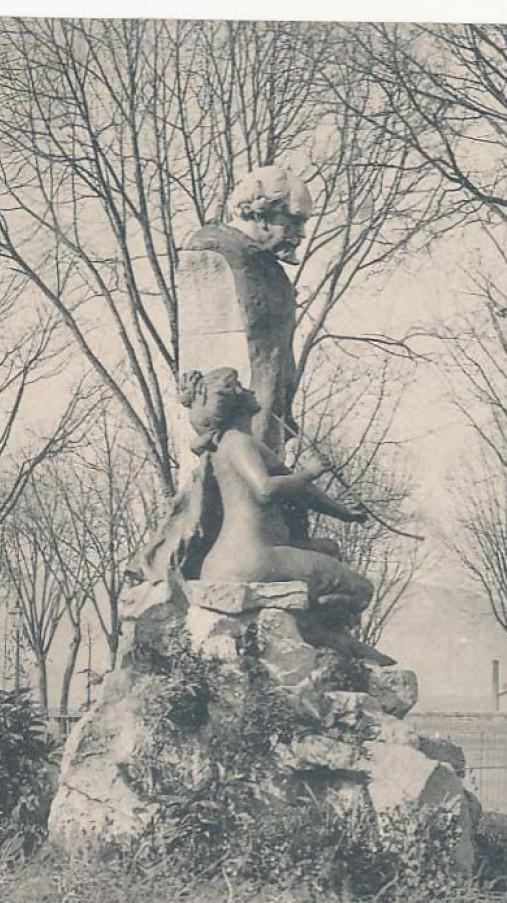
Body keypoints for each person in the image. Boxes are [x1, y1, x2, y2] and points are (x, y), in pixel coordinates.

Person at [180, 367, 373, 622]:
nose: (250, 391)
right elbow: (265, 489)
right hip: (253, 559)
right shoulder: (238, 442)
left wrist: (342, 511)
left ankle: (317, 622)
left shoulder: (238, 443)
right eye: (242, 386)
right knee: (362, 590)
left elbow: (300, 492)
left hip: (235, 560)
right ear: (235, 399)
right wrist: (309, 472)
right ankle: (318, 628)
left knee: (328, 548)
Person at [183, 166, 313, 453]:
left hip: (269, 420)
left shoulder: (270, 268)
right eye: (292, 220)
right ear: (259, 213)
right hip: (238, 434)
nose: (300, 233)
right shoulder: (217, 251)